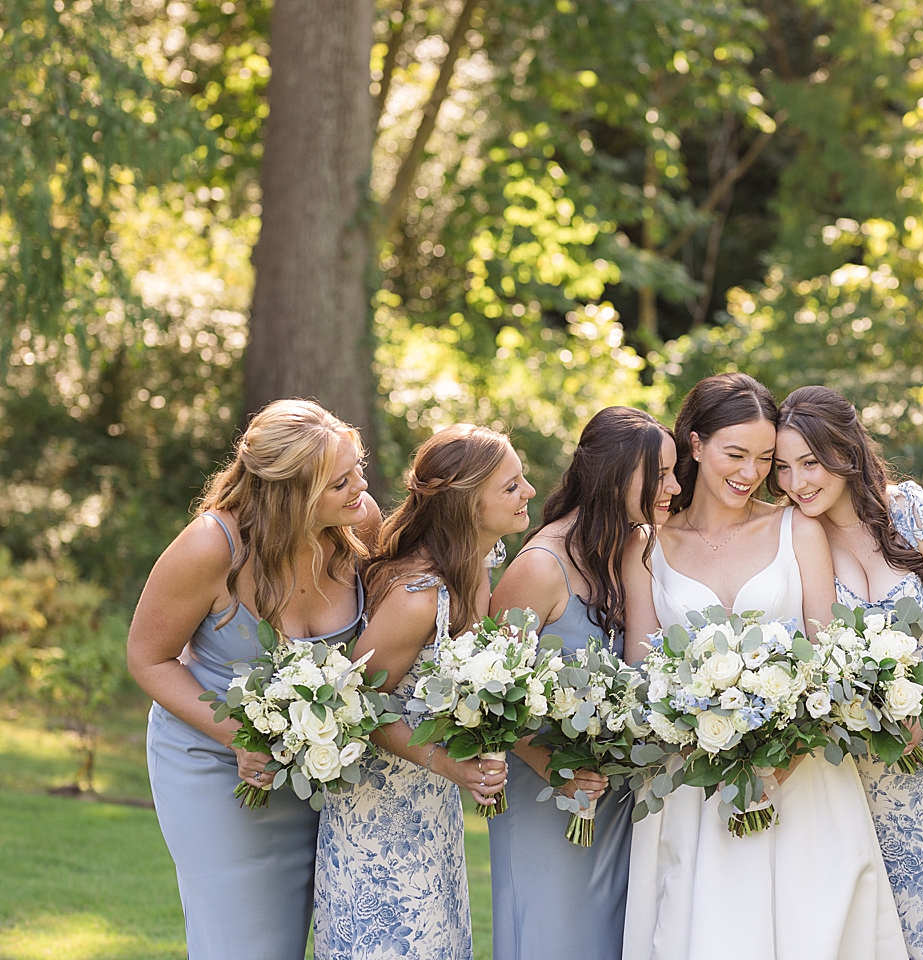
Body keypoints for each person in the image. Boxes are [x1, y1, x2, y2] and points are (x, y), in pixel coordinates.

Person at [621, 372, 907, 960]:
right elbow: (641, 669)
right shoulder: (646, 544)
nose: (750, 473)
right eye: (735, 454)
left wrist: (784, 757)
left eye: (765, 459)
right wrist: (702, 738)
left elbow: (829, 653)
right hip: (692, 783)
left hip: (802, 779)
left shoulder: (795, 528)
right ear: (695, 445)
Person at [129, 398, 379, 959]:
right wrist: (241, 736)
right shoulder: (211, 546)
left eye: (357, 467)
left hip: (327, 771)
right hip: (217, 765)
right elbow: (148, 659)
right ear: (293, 493)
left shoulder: (358, 523)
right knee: (245, 943)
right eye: (341, 481)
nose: (361, 486)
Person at [774, 385, 923, 960]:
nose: (797, 482)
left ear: (846, 453)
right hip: (849, 778)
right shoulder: (793, 536)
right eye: (782, 468)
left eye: (810, 463)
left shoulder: (920, 516)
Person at [313, 424, 531, 959]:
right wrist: (449, 764)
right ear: (467, 505)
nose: (528, 492)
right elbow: (355, 707)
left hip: (431, 812)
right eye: (511, 486)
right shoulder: (417, 600)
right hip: (376, 818)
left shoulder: (476, 566)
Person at [487, 406, 679, 960]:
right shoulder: (540, 568)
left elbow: (643, 663)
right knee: (556, 936)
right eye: (660, 475)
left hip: (615, 789)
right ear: (616, 477)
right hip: (548, 786)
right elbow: (487, 698)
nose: (674, 486)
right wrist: (561, 772)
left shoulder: (635, 546)